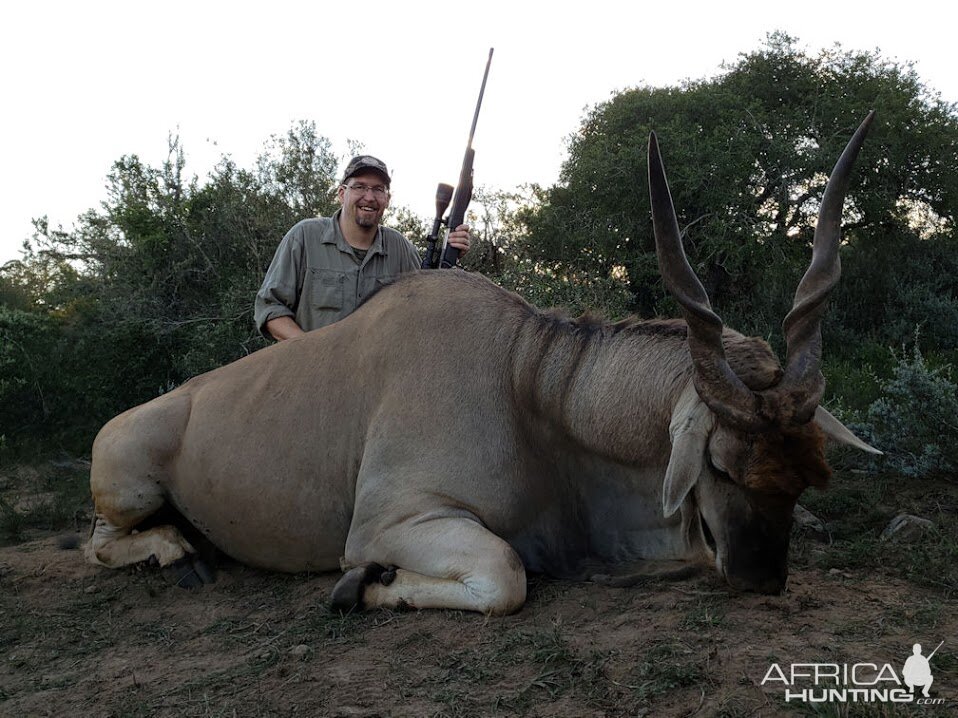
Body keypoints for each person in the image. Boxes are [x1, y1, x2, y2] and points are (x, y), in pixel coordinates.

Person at [254, 155, 471, 340]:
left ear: (387, 199)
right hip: (313, 381)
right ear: (341, 193)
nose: (369, 197)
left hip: (380, 385)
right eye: (359, 186)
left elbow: (426, 308)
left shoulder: (401, 248)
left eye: (378, 189)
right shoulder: (304, 237)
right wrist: (314, 353)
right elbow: (271, 309)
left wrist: (450, 258)